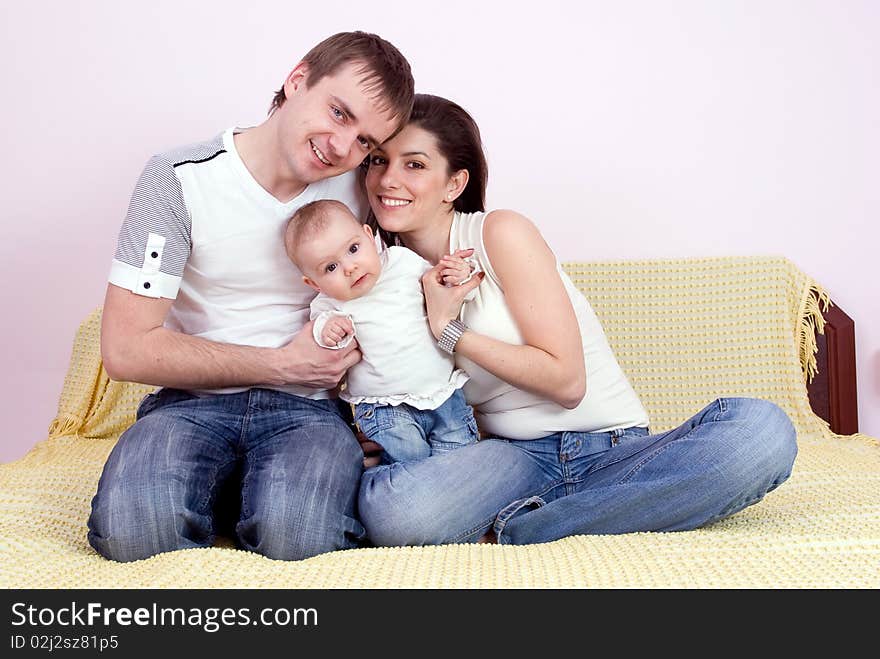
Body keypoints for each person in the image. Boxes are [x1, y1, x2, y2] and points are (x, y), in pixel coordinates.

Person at [357, 93, 799, 547]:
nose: (388, 178)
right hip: (511, 462)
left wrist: (450, 331)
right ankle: (589, 513)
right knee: (392, 512)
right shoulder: (378, 278)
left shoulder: (498, 233)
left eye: (414, 164)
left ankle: (534, 526)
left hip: (610, 448)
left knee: (762, 434)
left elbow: (567, 383)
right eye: (377, 160)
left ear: (454, 184)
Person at [87, 32, 414, 562]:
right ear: (298, 78)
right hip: (191, 405)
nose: (340, 146)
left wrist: (393, 417)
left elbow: (409, 292)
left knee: (301, 536)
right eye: (337, 112)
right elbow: (125, 350)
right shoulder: (176, 179)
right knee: (135, 530)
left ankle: (245, 502)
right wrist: (283, 365)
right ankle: (226, 499)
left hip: (310, 415)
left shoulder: (365, 193)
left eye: (364, 143)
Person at [284, 199, 479, 465]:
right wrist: (327, 332)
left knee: (462, 461)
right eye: (331, 268)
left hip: (442, 394)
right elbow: (320, 336)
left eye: (353, 249)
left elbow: (440, 286)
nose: (349, 267)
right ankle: (389, 485)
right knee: (413, 462)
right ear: (314, 284)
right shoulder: (329, 305)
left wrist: (456, 274)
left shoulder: (403, 262)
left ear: (369, 236)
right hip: (384, 407)